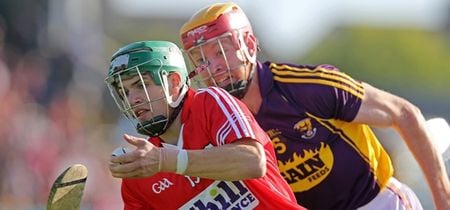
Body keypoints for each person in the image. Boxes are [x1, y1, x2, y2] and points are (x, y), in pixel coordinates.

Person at [179, 2, 450, 210]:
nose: (214, 67)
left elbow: (404, 114)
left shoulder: (307, 86)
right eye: (201, 59)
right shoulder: (216, 118)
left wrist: (444, 200)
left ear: (248, 44)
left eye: (221, 51)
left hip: (377, 202)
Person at [105, 40, 305, 210]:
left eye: (141, 85)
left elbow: (252, 161)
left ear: (174, 82)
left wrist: (166, 161)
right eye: (124, 92)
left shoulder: (210, 103)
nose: (132, 99)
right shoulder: (140, 172)